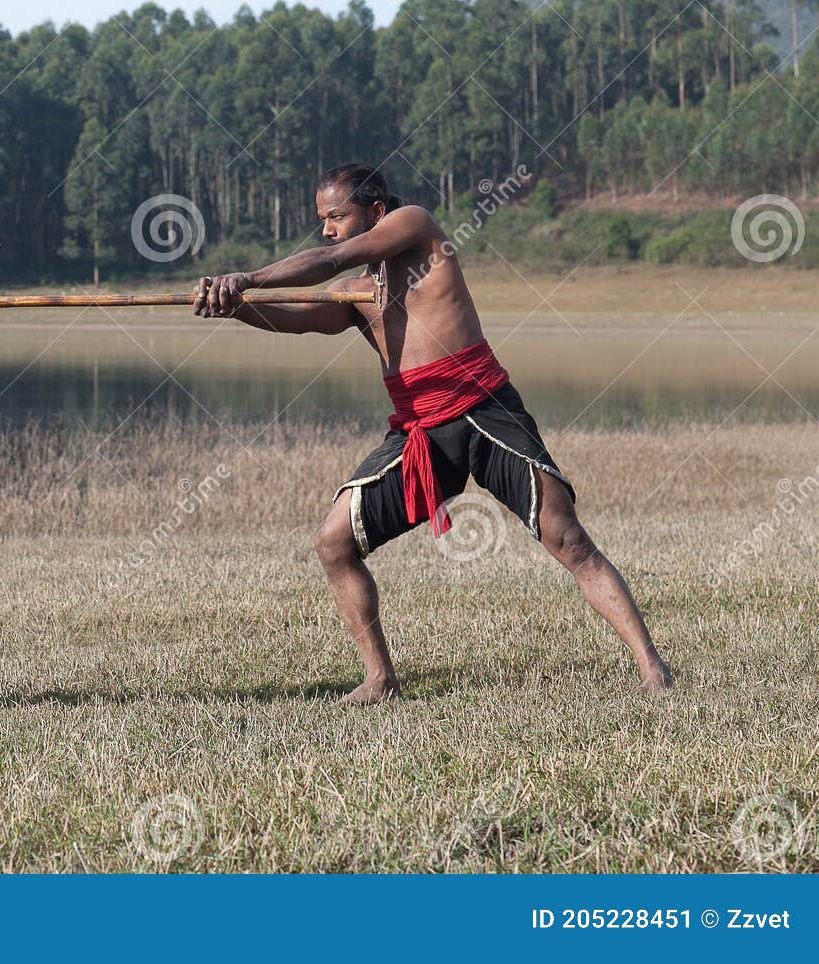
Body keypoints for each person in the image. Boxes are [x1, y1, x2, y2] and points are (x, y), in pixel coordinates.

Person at [193, 163, 671, 703]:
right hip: (422, 432)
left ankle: (652, 669)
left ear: (375, 212)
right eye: (321, 220)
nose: (327, 229)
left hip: (486, 409)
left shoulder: (417, 227)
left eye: (335, 216)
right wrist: (235, 309)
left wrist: (249, 278)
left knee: (568, 538)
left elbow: (329, 259)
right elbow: (298, 318)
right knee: (333, 544)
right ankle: (380, 680)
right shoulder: (356, 295)